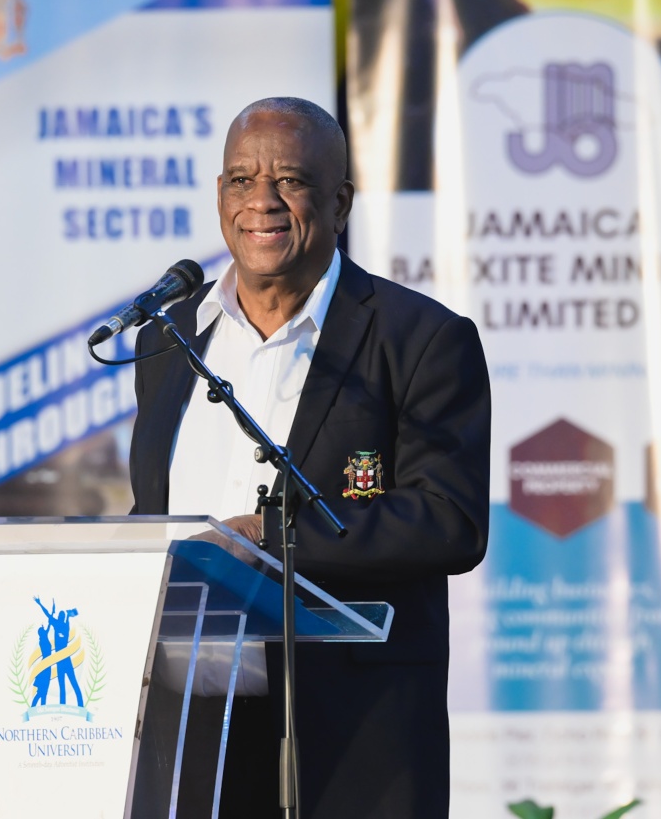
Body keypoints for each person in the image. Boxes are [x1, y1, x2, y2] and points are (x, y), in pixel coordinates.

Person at [129, 96, 490, 819]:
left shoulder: (418, 337)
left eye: (289, 179)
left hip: (347, 738)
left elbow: (448, 520)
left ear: (340, 200)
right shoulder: (168, 340)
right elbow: (156, 512)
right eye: (238, 179)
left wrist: (269, 537)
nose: (260, 201)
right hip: (185, 731)